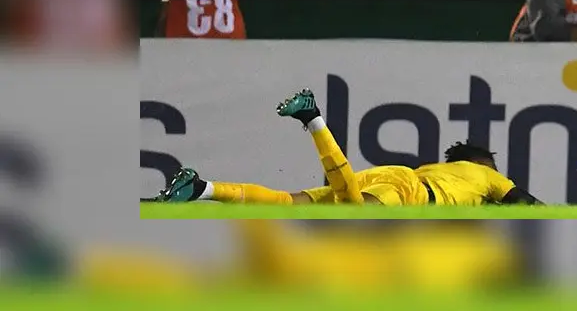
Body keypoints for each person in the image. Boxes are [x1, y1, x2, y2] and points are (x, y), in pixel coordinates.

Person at [154, 89, 542, 206]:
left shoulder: (446, 171)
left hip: (391, 176)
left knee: (292, 204)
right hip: (409, 192)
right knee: (356, 216)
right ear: (482, 163)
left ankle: (201, 188)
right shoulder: (486, 175)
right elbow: (526, 206)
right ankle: (314, 119)